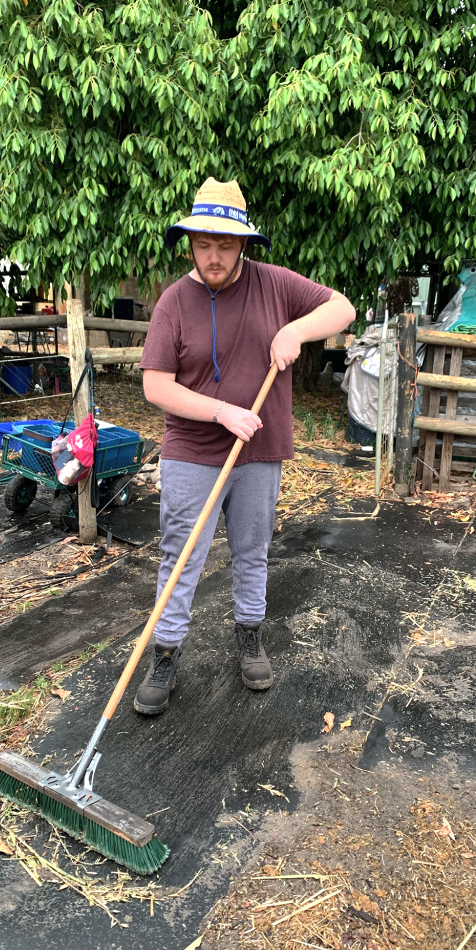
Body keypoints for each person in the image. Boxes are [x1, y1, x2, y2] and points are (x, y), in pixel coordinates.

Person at [134, 177, 355, 715]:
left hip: (258, 450)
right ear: (190, 241)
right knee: (180, 557)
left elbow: (343, 309)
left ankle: (250, 641)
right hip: (193, 450)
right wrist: (219, 411)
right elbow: (155, 385)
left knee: (252, 551)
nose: (214, 256)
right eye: (204, 243)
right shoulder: (173, 303)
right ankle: (164, 656)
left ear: (244, 244)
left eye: (225, 245)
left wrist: (298, 331)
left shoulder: (275, 285)